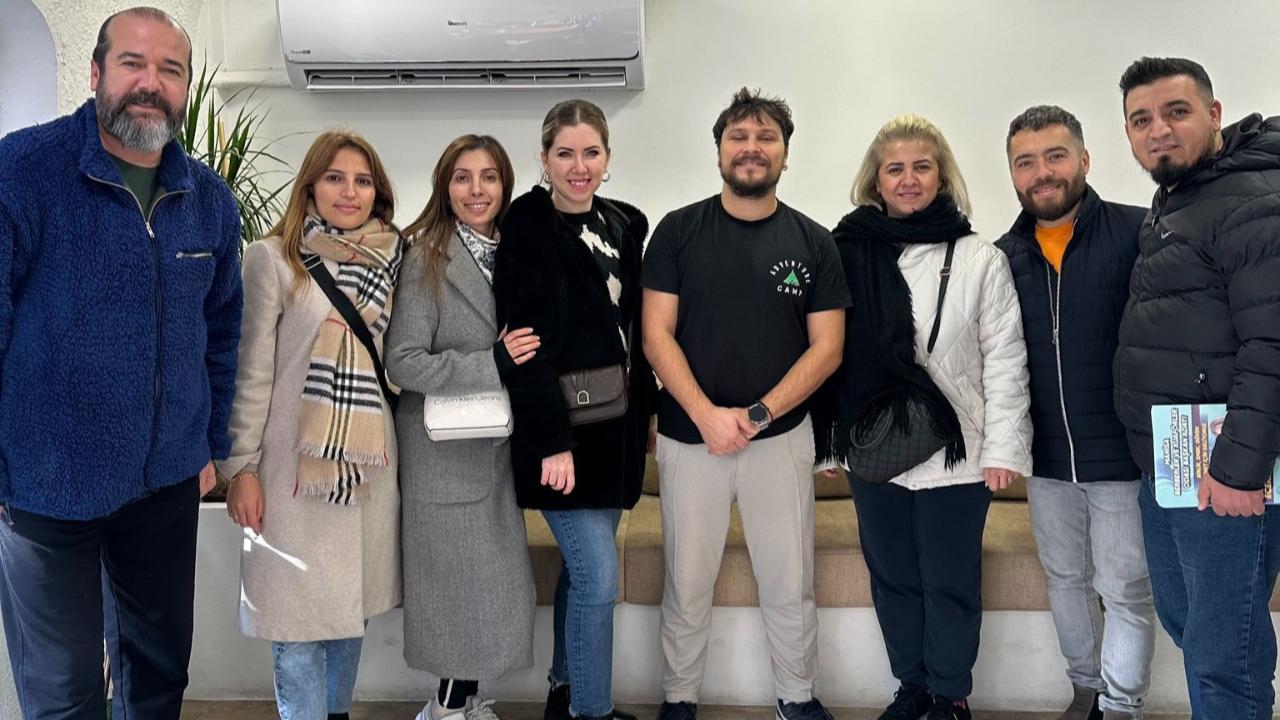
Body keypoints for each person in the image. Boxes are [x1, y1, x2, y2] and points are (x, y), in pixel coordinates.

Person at [0, 7, 242, 719]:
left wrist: (210, 445)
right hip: (47, 485)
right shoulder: (22, 173)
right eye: (133, 63)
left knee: (158, 678)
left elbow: (221, 332)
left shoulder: (209, 201)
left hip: (165, 482)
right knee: (64, 694)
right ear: (97, 72)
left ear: (186, 87)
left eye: (171, 70)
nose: (150, 83)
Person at [642, 88, 848, 720]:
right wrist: (707, 415)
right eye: (739, 136)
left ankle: (797, 697)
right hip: (689, 438)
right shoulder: (677, 231)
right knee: (687, 582)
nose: (751, 148)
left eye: (766, 138)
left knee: (790, 581)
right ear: (719, 151)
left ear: (785, 153)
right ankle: (679, 699)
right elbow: (655, 335)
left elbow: (828, 348)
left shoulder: (814, 242)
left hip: (780, 439)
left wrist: (757, 416)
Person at [819, 113, 1030, 720]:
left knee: (950, 581)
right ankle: (911, 687)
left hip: (958, 451)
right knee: (892, 578)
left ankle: (950, 695)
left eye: (921, 166)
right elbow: (827, 356)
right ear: (875, 181)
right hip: (873, 447)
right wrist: (830, 445)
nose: (908, 179)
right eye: (895, 169)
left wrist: (1003, 450)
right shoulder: (843, 252)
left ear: (941, 175)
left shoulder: (979, 257)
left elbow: (1005, 359)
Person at [1112, 56, 1280, 720]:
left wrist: (1238, 470)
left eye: (1176, 112)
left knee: (1224, 657)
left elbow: (1273, 344)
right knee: (1193, 627)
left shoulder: (1250, 201)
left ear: (1214, 115)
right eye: (1141, 119)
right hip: (1173, 468)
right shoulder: (1181, 199)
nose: (1158, 130)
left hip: (1223, 476)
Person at [220, 129, 404, 720]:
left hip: (366, 467)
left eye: (362, 181)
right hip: (291, 473)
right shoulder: (272, 260)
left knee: (349, 614)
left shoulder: (390, 262)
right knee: (295, 626)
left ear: (377, 193)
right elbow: (251, 372)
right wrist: (242, 468)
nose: (349, 192)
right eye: (335, 178)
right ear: (310, 187)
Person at [492, 99, 655, 720]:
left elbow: (634, 331)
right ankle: (591, 710)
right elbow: (524, 346)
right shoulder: (528, 228)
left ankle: (564, 689)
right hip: (562, 436)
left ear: (608, 159)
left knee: (577, 573)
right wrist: (551, 440)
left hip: (615, 431)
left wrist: (648, 411)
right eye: (565, 153)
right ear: (544, 158)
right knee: (598, 578)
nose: (578, 166)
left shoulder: (622, 225)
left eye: (591, 153)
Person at [995, 105, 1154, 720]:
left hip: (1121, 460)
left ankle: (1121, 706)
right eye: (1026, 162)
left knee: (1125, 591)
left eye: (1056, 156)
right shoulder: (1002, 256)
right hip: (1046, 462)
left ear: (1085, 159)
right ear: (1013, 174)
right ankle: (1085, 691)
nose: (1042, 172)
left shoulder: (1139, 231)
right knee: (1065, 581)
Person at [385, 134, 537, 720]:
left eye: (489, 176)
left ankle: (465, 702)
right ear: (445, 187)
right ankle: (447, 708)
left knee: (489, 590)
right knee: (455, 593)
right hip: (443, 455)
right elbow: (404, 362)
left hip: (498, 450)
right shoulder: (426, 256)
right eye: (463, 177)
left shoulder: (516, 252)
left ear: (505, 185)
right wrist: (490, 362)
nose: (477, 190)